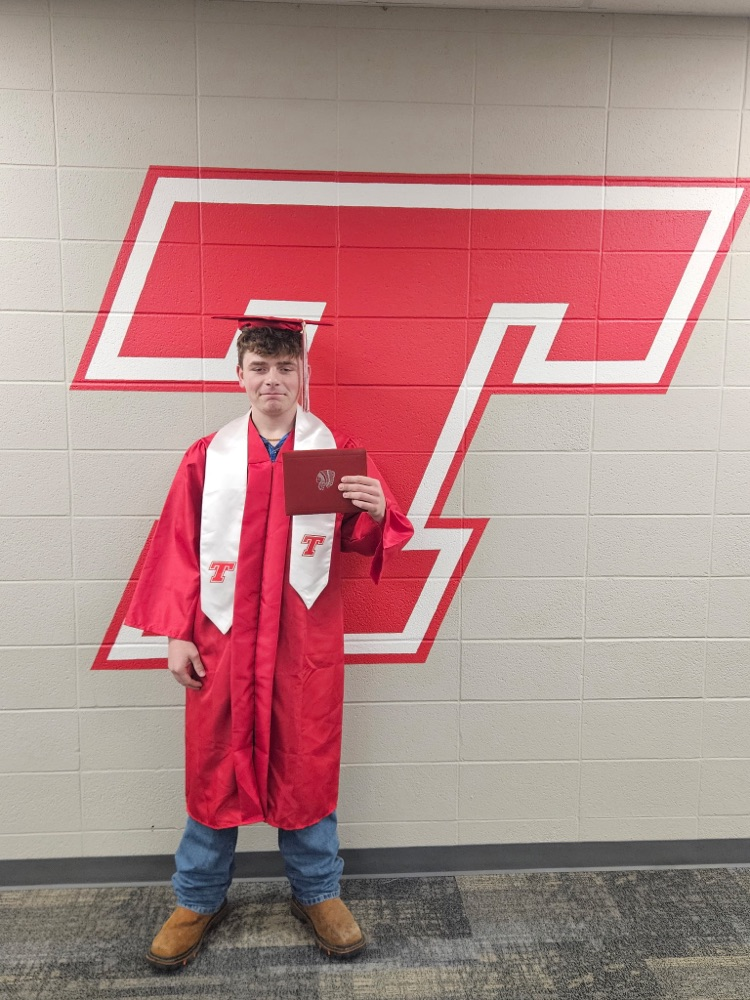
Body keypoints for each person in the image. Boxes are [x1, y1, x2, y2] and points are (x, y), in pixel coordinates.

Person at [124, 317, 413, 968]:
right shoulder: (209, 456)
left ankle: (318, 892)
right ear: (241, 376)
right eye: (260, 368)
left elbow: (367, 538)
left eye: (285, 368)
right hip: (224, 644)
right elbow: (178, 548)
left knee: (304, 761)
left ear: (302, 373)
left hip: (300, 647)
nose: (272, 380)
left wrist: (370, 511)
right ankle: (198, 896)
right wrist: (176, 635)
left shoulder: (332, 455)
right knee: (214, 763)